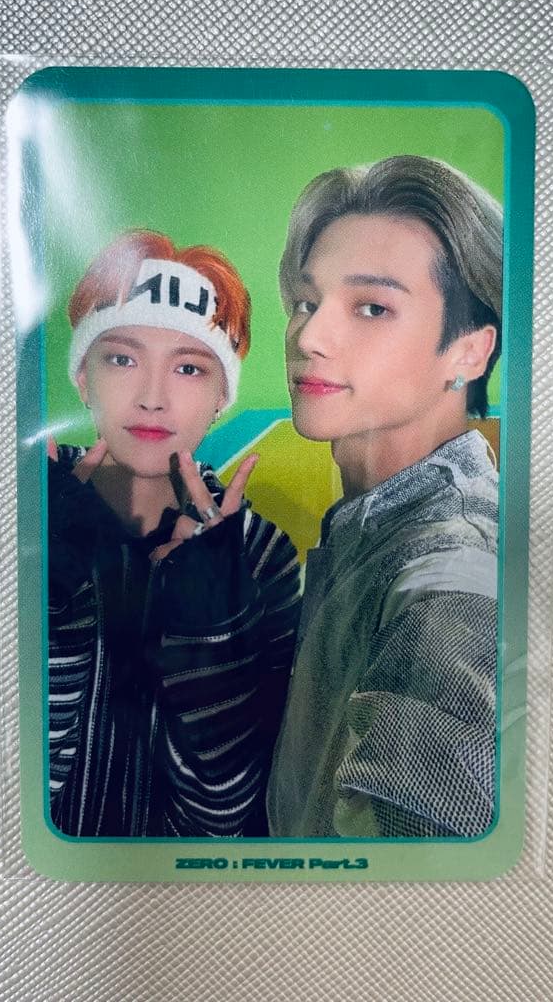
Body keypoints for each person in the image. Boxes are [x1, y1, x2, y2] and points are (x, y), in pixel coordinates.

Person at [267, 155, 502, 838]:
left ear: (469, 351)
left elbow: (417, 881)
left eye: (372, 307)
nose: (309, 337)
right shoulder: (372, 524)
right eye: (306, 302)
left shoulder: (451, 581)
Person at [47, 229, 301, 838]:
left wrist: (210, 639)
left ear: (221, 397)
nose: (152, 399)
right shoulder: (18, 510)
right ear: (83, 378)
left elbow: (225, 824)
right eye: (122, 359)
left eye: (188, 368)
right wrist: (52, 598)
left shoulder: (262, 555)